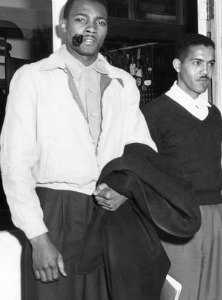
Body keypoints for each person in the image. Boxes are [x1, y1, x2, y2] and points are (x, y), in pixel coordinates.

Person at [0, 0, 155, 299]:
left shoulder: (123, 83)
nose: (91, 28)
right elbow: (15, 164)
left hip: (109, 217)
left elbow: (141, 149)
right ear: (63, 26)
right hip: (54, 214)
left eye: (100, 22)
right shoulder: (32, 78)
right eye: (81, 19)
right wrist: (38, 237)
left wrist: (126, 189)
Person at [141, 33, 222, 300]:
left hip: (214, 215)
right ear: (178, 65)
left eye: (211, 64)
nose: (206, 71)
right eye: (197, 63)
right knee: (179, 293)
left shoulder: (213, 114)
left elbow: (213, 172)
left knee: (215, 293)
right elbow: (144, 175)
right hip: (176, 217)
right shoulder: (154, 113)